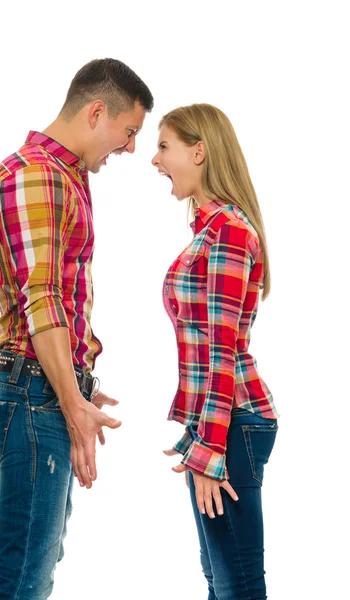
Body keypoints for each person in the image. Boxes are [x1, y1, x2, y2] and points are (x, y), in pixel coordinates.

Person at [0, 58, 153, 599]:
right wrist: (68, 396)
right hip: (35, 391)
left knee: (36, 564)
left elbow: (54, 299)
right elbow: (43, 299)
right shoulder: (37, 175)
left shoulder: (62, 176)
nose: (129, 149)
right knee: (23, 578)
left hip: (44, 386)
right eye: (128, 132)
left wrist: (77, 379)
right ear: (97, 111)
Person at [152, 103, 279, 600]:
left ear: (199, 151)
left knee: (238, 588)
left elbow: (221, 350)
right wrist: (201, 437)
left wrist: (209, 448)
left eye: (164, 146)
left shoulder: (227, 230)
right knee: (221, 583)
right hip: (221, 422)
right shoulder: (210, 230)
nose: (155, 160)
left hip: (232, 424)